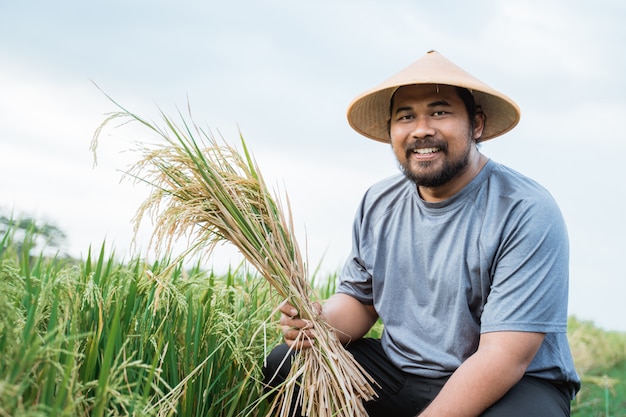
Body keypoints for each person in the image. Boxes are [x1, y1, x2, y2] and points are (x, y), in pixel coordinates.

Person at [262, 50, 581, 416]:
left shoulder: (525, 209)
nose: (421, 129)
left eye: (439, 112)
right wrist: (318, 319)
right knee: (289, 363)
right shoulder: (379, 202)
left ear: (476, 124)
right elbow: (359, 303)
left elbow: (504, 357)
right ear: (391, 131)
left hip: (514, 382)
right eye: (406, 116)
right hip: (402, 372)